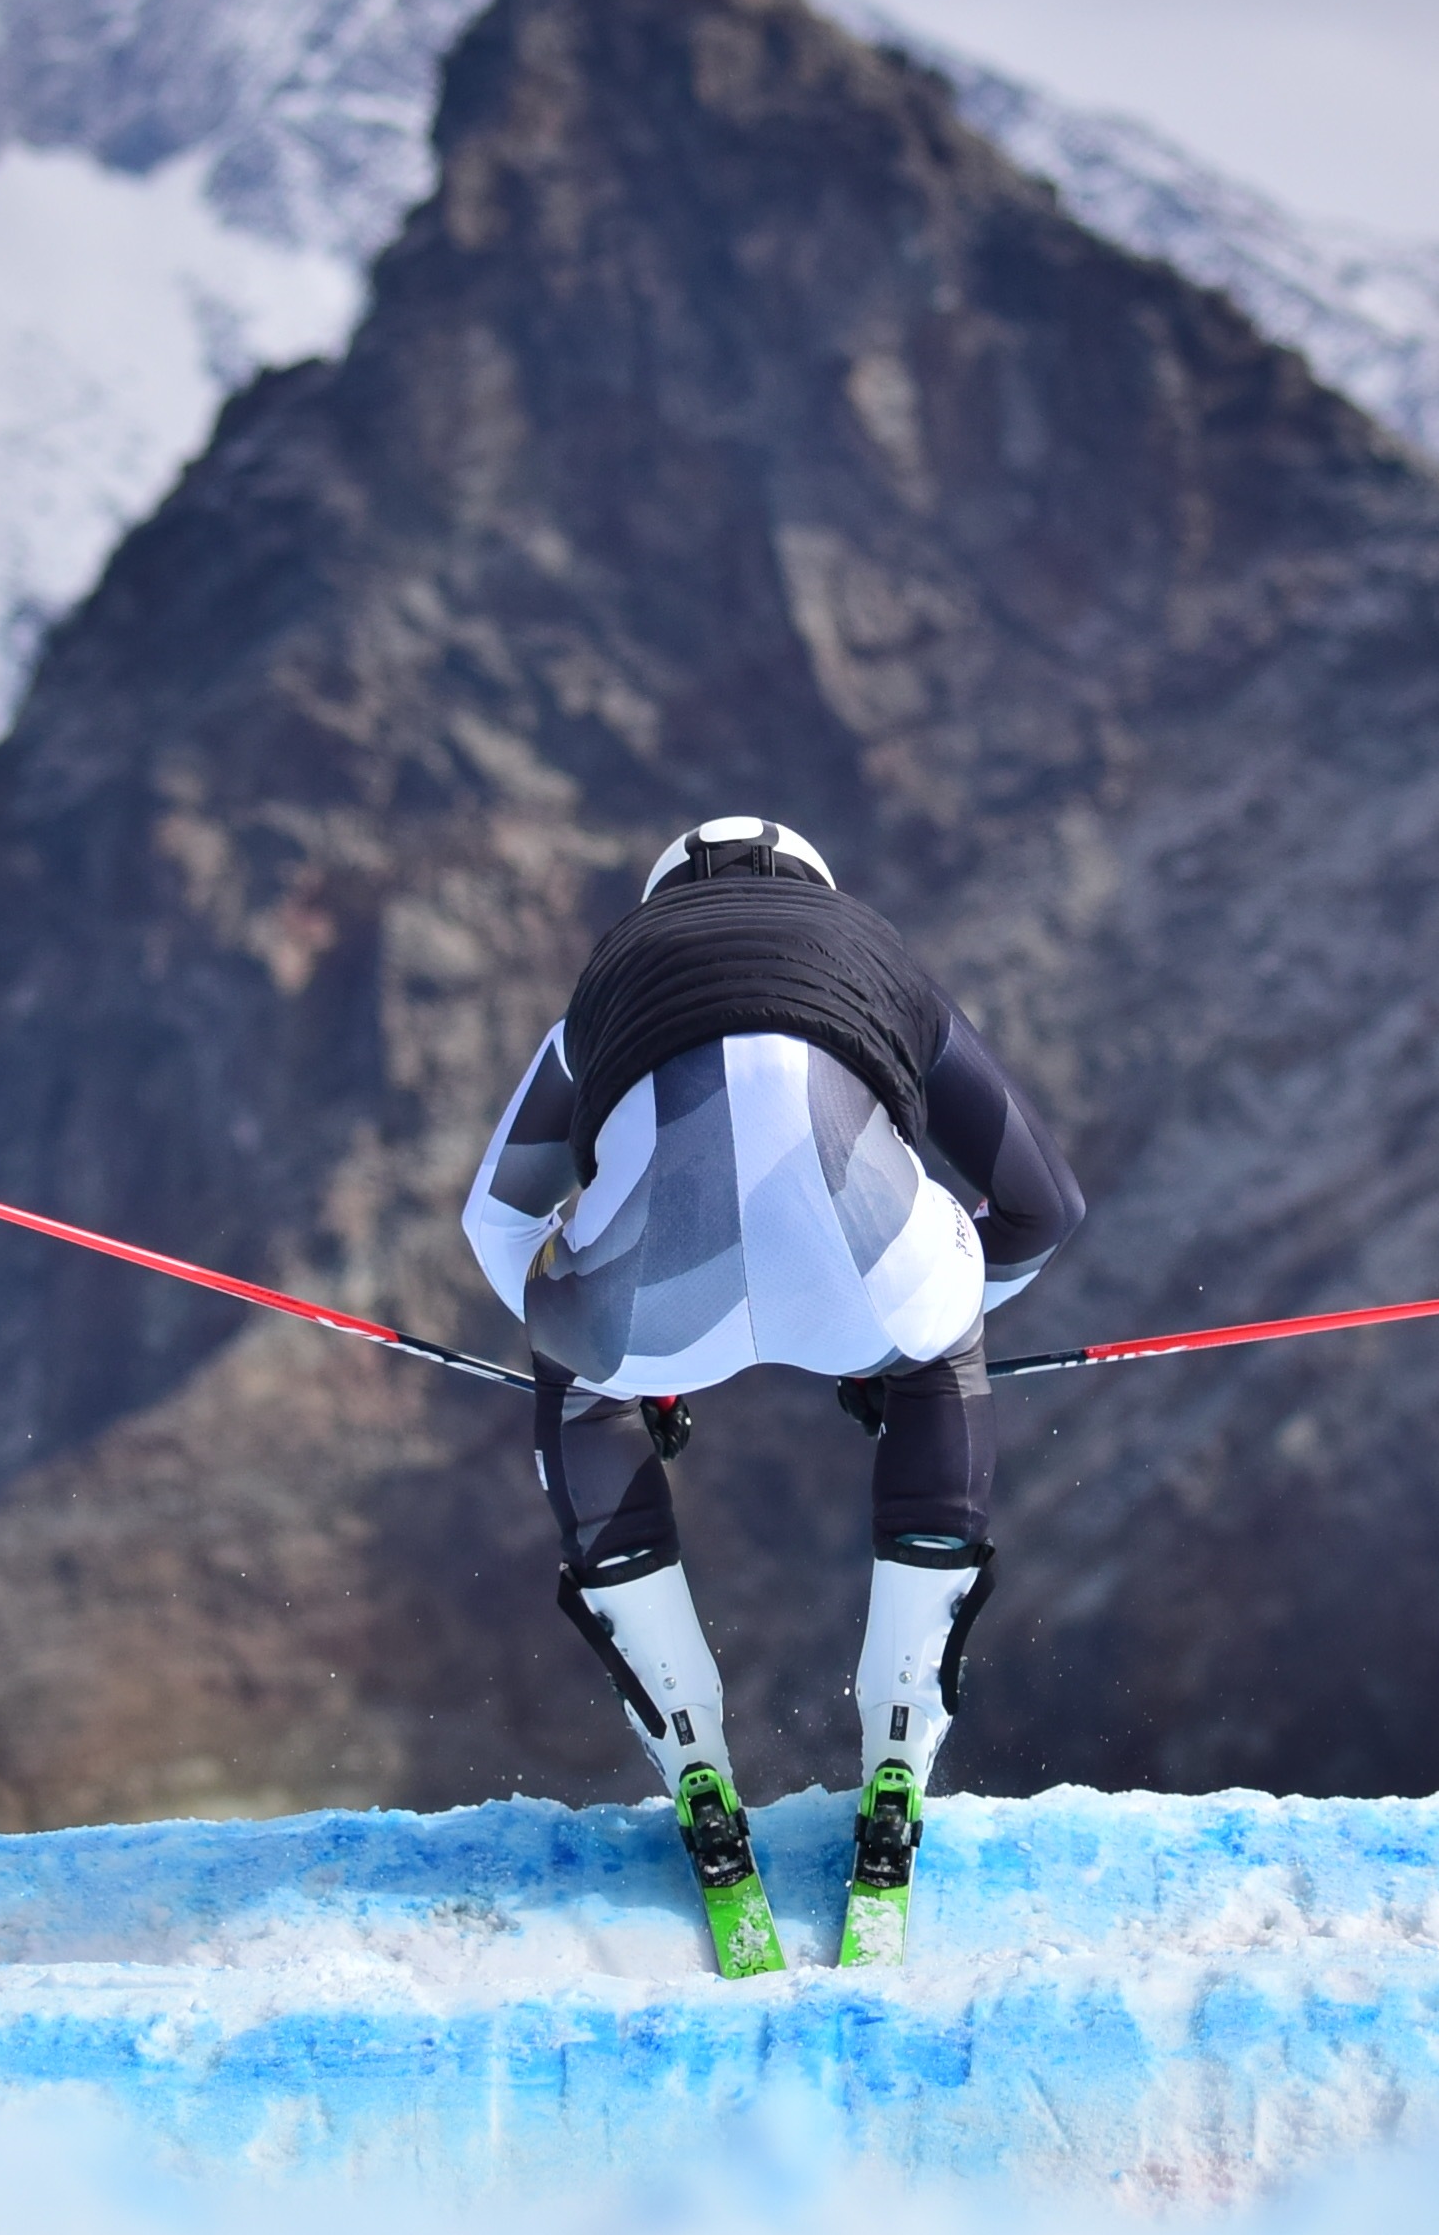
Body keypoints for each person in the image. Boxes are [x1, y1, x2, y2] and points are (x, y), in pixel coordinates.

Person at [458, 816, 1086, 1964]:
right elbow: (1046, 1208)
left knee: (584, 1378)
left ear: (657, 903)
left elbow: (494, 1221)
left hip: (643, 1313)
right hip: (878, 1284)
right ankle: (900, 1745)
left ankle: (691, 1747)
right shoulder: (880, 958)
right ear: (820, 890)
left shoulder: (604, 982)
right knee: (944, 1346)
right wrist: (915, 1344)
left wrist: (597, 1361)